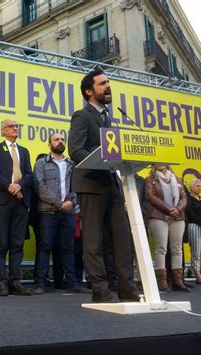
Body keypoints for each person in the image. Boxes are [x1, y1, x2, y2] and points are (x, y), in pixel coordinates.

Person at [68, 68, 138, 303]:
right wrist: (101, 160)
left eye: (108, 82)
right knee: (94, 239)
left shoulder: (110, 118)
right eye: (102, 83)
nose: (108, 86)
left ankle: (127, 288)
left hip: (113, 184)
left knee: (122, 238)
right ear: (89, 91)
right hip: (91, 184)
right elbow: (75, 150)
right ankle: (99, 288)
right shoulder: (82, 116)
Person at [32, 133, 83, 294]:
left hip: (68, 212)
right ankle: (40, 283)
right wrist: (59, 203)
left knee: (68, 248)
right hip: (48, 211)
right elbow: (40, 187)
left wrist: (71, 202)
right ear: (49, 144)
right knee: (45, 247)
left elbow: (77, 186)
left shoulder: (71, 164)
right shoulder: (41, 163)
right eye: (56, 139)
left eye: (62, 139)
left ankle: (72, 282)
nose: (60, 142)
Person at [0, 119, 33, 296]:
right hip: (1, 201)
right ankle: (1, 282)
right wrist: (9, 186)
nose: (16, 128)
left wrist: (19, 186)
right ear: (3, 131)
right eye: (12, 126)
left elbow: (29, 174)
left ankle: (15, 281)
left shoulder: (24, 151)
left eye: (17, 126)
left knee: (17, 243)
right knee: (0, 243)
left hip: (20, 202)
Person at [145, 164, 189, 292]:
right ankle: (162, 282)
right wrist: (169, 209)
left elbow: (184, 197)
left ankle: (177, 281)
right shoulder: (150, 179)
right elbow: (150, 197)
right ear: (153, 164)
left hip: (178, 216)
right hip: (158, 216)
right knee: (161, 248)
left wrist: (178, 209)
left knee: (177, 249)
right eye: (157, 160)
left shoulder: (177, 179)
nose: (161, 162)